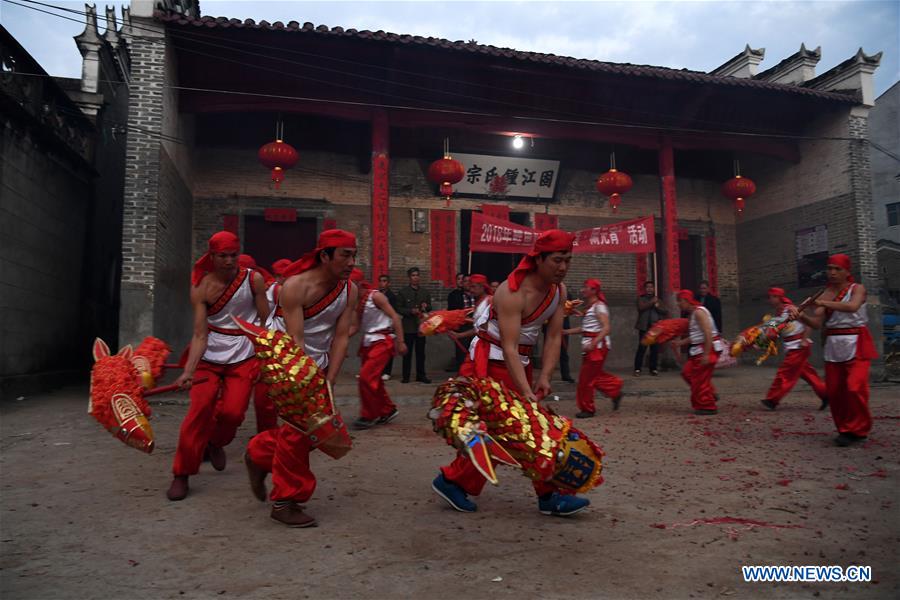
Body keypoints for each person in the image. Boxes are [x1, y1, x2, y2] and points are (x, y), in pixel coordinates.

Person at [433, 229, 592, 517]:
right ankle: (547, 493)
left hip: (521, 364)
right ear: (539, 259)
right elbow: (508, 346)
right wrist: (527, 391)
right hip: (491, 362)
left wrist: (545, 376)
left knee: (515, 430)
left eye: (567, 260)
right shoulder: (512, 291)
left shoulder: (559, 291)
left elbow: (554, 337)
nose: (563, 267)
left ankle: (457, 481)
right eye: (557, 260)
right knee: (508, 430)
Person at [244, 229, 359, 526]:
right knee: (299, 432)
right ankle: (285, 501)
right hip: (286, 364)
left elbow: (342, 337)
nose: (351, 262)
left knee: (316, 434)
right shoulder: (295, 287)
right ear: (325, 255)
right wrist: (308, 383)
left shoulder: (350, 290)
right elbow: (296, 341)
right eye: (345, 255)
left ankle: (258, 454)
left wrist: (330, 379)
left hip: (317, 364)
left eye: (354, 255)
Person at [167, 231, 270, 501]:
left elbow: (264, 322)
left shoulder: (253, 279)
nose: (228, 261)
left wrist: (267, 355)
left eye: (233, 255)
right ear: (211, 256)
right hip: (209, 357)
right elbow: (200, 334)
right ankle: (181, 473)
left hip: (244, 354)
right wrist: (189, 372)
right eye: (222, 256)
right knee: (198, 411)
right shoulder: (201, 287)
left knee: (234, 414)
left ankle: (215, 442)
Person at [790, 254, 877, 446]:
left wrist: (821, 303)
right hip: (833, 344)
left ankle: (860, 429)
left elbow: (853, 307)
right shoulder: (824, 293)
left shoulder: (857, 288)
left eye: (837, 269)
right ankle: (845, 430)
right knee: (836, 391)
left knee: (855, 387)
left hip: (856, 342)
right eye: (829, 268)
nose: (832, 272)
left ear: (847, 272)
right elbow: (816, 322)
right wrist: (800, 315)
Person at [352, 275, 407, 429]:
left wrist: (401, 342)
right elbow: (354, 327)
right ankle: (387, 409)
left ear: (358, 284)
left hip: (382, 341)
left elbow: (395, 317)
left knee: (366, 377)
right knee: (373, 380)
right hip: (368, 342)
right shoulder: (356, 302)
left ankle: (369, 415)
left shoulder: (376, 296)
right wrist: (335, 339)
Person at [760, 287, 828, 412]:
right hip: (791, 346)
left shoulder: (791, 309)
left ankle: (772, 400)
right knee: (809, 375)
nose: (770, 300)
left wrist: (804, 339)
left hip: (798, 346)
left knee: (785, 373)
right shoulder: (777, 314)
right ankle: (825, 394)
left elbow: (808, 323)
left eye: (771, 297)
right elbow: (772, 331)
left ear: (778, 297)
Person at [566, 279, 623, 418]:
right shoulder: (591, 307)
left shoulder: (599, 307)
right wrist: (565, 332)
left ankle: (588, 408)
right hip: (592, 345)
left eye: (585, 287)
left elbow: (606, 327)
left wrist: (594, 341)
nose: (582, 290)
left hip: (597, 347)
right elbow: (585, 329)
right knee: (593, 376)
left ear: (594, 290)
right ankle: (615, 389)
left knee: (586, 379)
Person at [673, 289, 722, 415]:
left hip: (707, 348)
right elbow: (696, 336)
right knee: (687, 373)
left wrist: (706, 354)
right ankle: (710, 394)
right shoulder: (694, 313)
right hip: (699, 349)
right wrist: (679, 343)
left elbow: (707, 333)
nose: (678, 304)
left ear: (687, 300)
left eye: (680, 301)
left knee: (699, 379)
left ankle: (708, 406)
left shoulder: (700, 312)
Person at [397, 267, 432, 383]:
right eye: (413, 275)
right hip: (408, 327)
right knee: (407, 353)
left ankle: (421, 375)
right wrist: (410, 311)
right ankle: (406, 376)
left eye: (417, 275)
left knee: (421, 353)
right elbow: (398, 308)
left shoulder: (425, 292)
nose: (416, 277)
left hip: (421, 327)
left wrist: (425, 307)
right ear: (409, 278)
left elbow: (430, 307)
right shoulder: (403, 292)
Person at [633, 281, 667, 376]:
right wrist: (651, 302)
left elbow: (664, 311)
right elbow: (641, 308)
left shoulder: (658, 300)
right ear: (645, 289)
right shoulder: (641, 299)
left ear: (654, 289)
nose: (649, 289)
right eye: (647, 287)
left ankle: (653, 368)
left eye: (651, 287)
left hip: (654, 328)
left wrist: (657, 306)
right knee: (642, 348)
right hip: (644, 327)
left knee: (654, 349)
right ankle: (637, 368)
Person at [447, 273, 475, 369]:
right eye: (465, 281)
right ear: (461, 283)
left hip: (475, 328)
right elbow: (451, 313)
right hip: (462, 328)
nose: (467, 283)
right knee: (462, 355)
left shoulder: (477, 295)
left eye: (469, 281)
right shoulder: (454, 295)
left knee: (474, 353)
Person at [376, 274, 398, 381]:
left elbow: (394, 313)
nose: (382, 283)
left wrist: (393, 327)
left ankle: (387, 372)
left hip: (388, 325)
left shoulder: (392, 297)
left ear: (388, 283)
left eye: (384, 281)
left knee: (388, 350)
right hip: (378, 325)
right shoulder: (376, 295)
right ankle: (377, 371)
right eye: (380, 281)